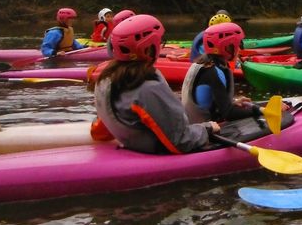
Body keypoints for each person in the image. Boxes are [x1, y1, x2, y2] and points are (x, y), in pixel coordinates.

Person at [93, 14, 220, 154]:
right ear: (148, 48)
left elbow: (100, 130)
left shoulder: (105, 79)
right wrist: (206, 129)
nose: (160, 46)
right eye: (159, 42)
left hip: (130, 142)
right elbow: (180, 141)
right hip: (155, 150)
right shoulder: (148, 87)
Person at [182, 21, 263, 124]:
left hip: (191, 122)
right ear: (226, 46)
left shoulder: (202, 63)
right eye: (237, 45)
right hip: (202, 129)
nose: (239, 49)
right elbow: (228, 114)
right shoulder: (213, 72)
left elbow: (209, 101)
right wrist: (259, 111)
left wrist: (233, 102)